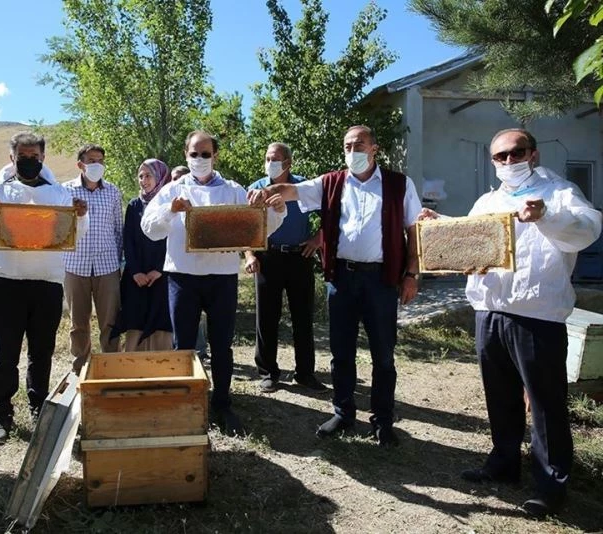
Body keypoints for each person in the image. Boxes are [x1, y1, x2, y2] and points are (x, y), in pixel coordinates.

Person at [419, 128, 602, 519]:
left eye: (516, 153)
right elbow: (470, 240)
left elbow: (587, 230)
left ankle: (551, 485)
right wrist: (440, 224)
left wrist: (546, 216)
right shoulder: (488, 200)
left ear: (533, 154)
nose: (508, 161)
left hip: (538, 315)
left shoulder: (560, 192)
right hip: (490, 311)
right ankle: (504, 463)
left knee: (545, 403)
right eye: (500, 156)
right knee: (500, 395)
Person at [249, 125, 421, 446]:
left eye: (359, 145)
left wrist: (411, 274)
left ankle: (383, 421)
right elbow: (291, 190)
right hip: (341, 279)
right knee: (341, 352)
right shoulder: (331, 183)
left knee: (383, 355)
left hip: (381, 280)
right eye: (347, 146)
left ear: (374, 148)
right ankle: (343, 413)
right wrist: (267, 192)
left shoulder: (399, 184)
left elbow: (414, 231)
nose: (353, 151)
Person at [142, 130, 287, 436]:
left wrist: (275, 210)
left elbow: (258, 229)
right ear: (185, 155)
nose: (200, 159)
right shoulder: (172, 190)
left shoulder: (233, 191)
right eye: (194, 154)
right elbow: (149, 228)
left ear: (215, 156)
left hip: (222, 278)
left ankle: (222, 404)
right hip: (182, 278)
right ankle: (186, 404)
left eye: (205, 154)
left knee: (222, 345)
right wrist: (170, 209)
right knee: (183, 346)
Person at [0, 131, 89, 445]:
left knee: (42, 352)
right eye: (22, 156)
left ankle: (39, 409)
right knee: (4, 353)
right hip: (6, 282)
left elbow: (74, 234)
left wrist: (80, 215)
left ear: (43, 157)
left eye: (34, 156)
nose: (29, 160)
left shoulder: (59, 193)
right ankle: (0, 415)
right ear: (12, 157)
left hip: (47, 283)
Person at [245, 142, 326, 393]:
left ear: (288, 163)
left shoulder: (302, 187)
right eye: (267, 158)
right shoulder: (255, 189)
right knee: (267, 317)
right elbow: (245, 227)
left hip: (299, 257)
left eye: (276, 159)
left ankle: (305, 374)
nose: (270, 163)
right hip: (267, 258)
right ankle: (268, 373)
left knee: (303, 317)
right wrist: (249, 255)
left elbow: (331, 215)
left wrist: (317, 239)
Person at [63, 144, 123, 373]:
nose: (97, 165)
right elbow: (60, 228)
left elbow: (118, 229)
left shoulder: (113, 191)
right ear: (80, 164)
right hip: (74, 265)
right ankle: (81, 368)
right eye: (91, 161)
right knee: (78, 323)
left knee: (110, 321)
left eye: (100, 161)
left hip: (107, 266)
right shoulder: (65, 191)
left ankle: (112, 367)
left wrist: (119, 262)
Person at [111, 159, 173, 351]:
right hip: (136, 277)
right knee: (135, 317)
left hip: (163, 274)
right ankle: (133, 362)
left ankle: (162, 364)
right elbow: (128, 240)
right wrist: (136, 271)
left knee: (161, 319)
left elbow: (173, 240)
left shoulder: (169, 205)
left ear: (160, 177)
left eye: (148, 175)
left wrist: (159, 270)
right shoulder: (134, 205)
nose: (143, 180)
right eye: (140, 176)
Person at [172, 165, 209, 360]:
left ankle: (200, 351)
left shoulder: (201, 200)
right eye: (174, 178)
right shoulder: (167, 200)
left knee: (199, 316)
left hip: (205, 269)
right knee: (180, 320)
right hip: (176, 271)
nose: (177, 181)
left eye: (181, 177)